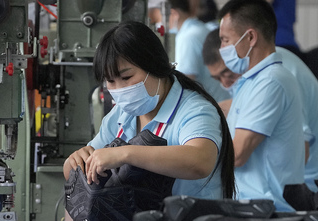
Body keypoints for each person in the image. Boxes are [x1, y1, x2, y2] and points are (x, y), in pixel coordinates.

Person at [64, 20, 235, 201]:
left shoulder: (195, 110)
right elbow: (74, 172)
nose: (119, 88)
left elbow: (200, 161)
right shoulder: (121, 115)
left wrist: (126, 154)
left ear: (154, 66)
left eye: (126, 77)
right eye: (110, 81)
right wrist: (73, 162)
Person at [202, 29, 318, 191]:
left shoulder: (278, 74)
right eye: (218, 79)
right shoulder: (255, 72)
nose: (225, 84)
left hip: (297, 192)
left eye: (227, 74)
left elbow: (299, 155)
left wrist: (198, 158)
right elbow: (242, 108)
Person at [217, 0, 305, 211]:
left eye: (225, 40)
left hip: (268, 212)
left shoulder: (271, 82)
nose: (222, 49)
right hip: (251, 206)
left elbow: (237, 154)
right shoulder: (252, 81)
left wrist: (189, 154)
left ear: (250, 37)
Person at [169, 0, 229, 103]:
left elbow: (186, 82)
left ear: (174, 14)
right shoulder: (200, 28)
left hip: (215, 107)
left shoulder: (188, 37)